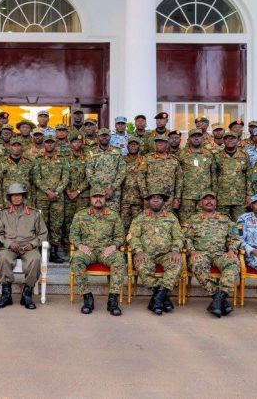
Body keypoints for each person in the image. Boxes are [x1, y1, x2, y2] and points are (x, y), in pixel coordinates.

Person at [69, 188, 126, 316]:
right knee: (76, 260)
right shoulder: (80, 215)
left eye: (101, 197)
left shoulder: (113, 215)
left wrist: (114, 246)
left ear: (105, 199)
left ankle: (113, 300)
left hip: (106, 251)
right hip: (88, 250)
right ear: (90, 199)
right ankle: (87, 298)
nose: (98, 199)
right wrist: (80, 245)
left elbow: (120, 236)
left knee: (119, 259)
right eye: (95, 197)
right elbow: (73, 235)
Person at [183, 192, 240, 318]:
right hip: (200, 254)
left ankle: (218, 300)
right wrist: (192, 251)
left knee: (233, 263)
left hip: (220, 254)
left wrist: (231, 250)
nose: (209, 201)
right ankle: (220, 300)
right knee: (197, 264)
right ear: (201, 203)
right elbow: (186, 238)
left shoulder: (225, 219)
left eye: (212, 199)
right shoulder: (193, 219)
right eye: (206, 199)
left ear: (216, 202)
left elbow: (235, 238)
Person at [0, 184, 49, 310]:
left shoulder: (34, 214)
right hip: (10, 247)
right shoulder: (3, 214)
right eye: (14, 195)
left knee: (35, 260)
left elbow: (43, 233)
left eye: (19, 195)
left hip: (28, 247)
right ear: (10, 198)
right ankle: (6, 295)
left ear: (23, 197)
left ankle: (27, 294)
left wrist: (32, 244)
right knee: (3, 259)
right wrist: (8, 243)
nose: (17, 198)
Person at [128, 192, 183, 315]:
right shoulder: (140, 217)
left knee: (176, 264)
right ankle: (163, 298)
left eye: (159, 198)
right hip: (146, 254)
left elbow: (179, 236)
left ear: (163, 202)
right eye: (153, 198)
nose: (156, 200)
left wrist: (175, 250)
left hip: (166, 254)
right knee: (142, 265)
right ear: (148, 201)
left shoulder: (171, 217)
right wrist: (138, 251)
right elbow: (133, 236)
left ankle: (157, 299)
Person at [32, 134, 69, 263]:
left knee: (56, 225)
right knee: (41, 225)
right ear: (44, 144)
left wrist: (56, 192)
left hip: (57, 199)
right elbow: (36, 179)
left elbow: (65, 178)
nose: (49, 145)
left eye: (52, 142)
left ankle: (53, 252)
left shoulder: (63, 159)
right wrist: (47, 191)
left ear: (55, 144)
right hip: (42, 197)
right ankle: (41, 252)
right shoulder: (38, 160)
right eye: (47, 143)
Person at [177, 128, 216, 223]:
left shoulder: (209, 154)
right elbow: (178, 176)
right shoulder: (182, 154)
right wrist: (177, 196)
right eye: (193, 136)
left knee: (203, 223)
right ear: (189, 139)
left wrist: (214, 195)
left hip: (204, 197)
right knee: (185, 223)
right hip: (187, 196)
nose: (196, 138)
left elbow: (214, 175)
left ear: (202, 138)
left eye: (198, 136)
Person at [213, 132, 250, 221]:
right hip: (222, 198)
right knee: (222, 223)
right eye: (227, 138)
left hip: (240, 198)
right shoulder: (217, 156)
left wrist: (249, 195)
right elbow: (213, 177)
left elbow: (248, 177)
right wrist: (214, 195)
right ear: (223, 141)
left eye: (233, 138)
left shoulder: (244, 156)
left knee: (240, 224)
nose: (230, 140)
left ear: (237, 140)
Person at [87, 128, 125, 212]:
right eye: (102, 136)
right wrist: (100, 190)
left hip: (113, 193)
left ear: (110, 137)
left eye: (106, 136)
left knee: (113, 217)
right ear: (98, 137)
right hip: (97, 193)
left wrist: (112, 188)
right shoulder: (92, 153)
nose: (104, 138)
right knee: (97, 217)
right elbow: (89, 173)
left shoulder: (117, 151)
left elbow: (122, 171)